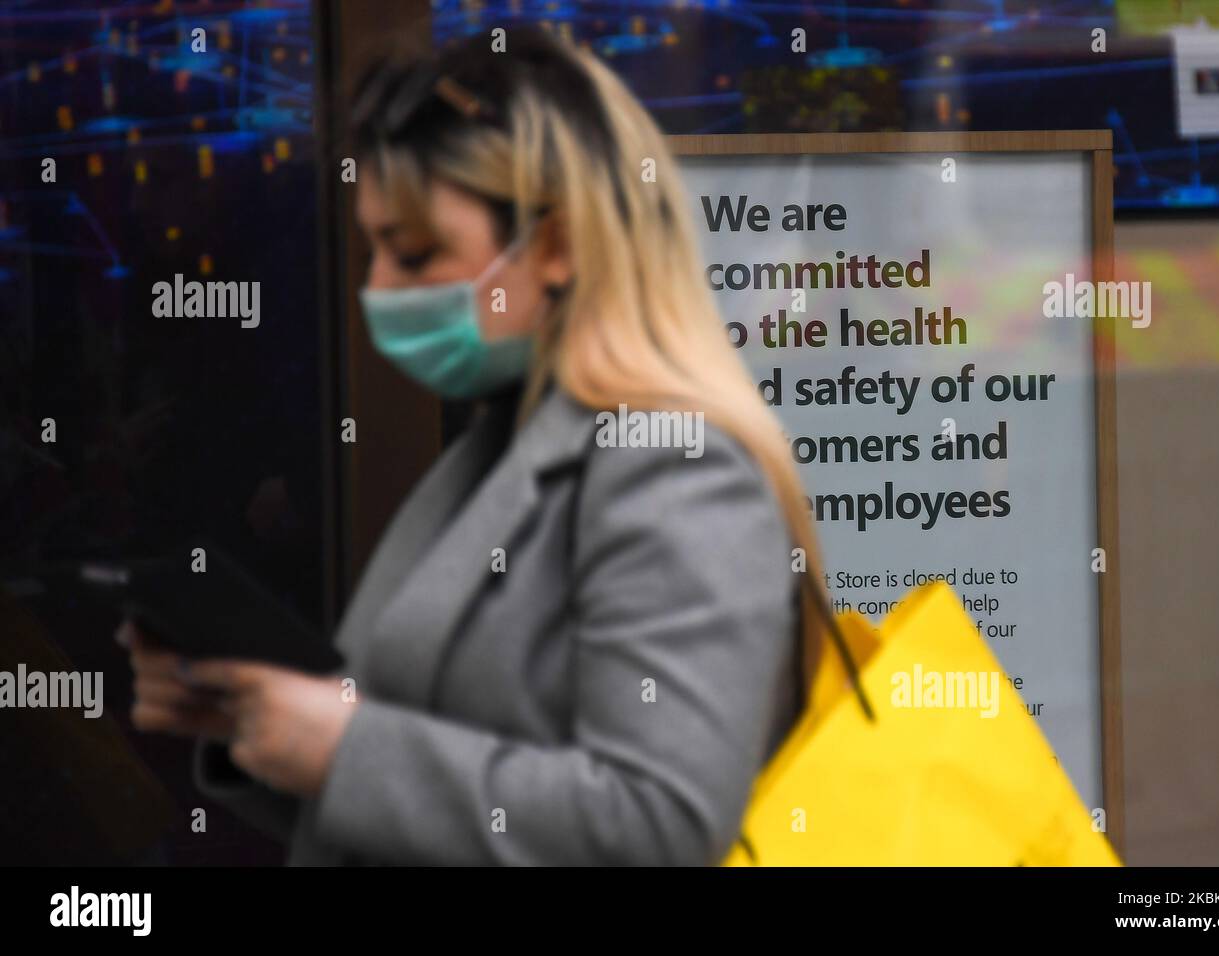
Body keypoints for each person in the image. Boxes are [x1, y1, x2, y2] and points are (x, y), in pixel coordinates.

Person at [119, 27, 828, 866]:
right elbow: (424, 806)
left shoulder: (675, 468)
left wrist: (342, 748)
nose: (378, 290)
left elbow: (658, 827)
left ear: (558, 244)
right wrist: (258, 722)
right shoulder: (503, 444)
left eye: (415, 253)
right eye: (373, 247)